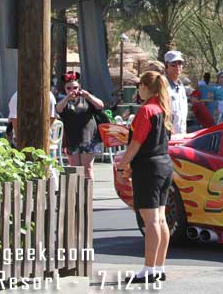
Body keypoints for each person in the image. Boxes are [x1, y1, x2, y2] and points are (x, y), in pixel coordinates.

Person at [115, 72, 173, 285]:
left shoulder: (147, 110)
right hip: (164, 164)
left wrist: (123, 166)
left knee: (151, 222)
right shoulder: (164, 109)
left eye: (140, 85)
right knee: (160, 218)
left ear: (147, 87)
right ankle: (159, 267)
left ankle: (148, 269)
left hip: (149, 167)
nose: (138, 89)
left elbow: (136, 143)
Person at [55, 74, 106, 180]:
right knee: (74, 169)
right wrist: (67, 98)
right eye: (68, 88)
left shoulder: (86, 99)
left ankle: (88, 194)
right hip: (72, 139)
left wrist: (88, 96)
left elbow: (100, 105)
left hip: (88, 139)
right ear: (65, 89)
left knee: (87, 169)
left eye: (75, 87)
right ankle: (77, 194)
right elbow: (58, 109)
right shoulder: (65, 102)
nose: (72, 90)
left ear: (79, 87)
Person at [162, 50, 188, 135]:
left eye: (180, 64)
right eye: (173, 64)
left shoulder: (181, 87)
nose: (177, 67)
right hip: (168, 136)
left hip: (181, 134)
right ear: (166, 66)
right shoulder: (163, 86)